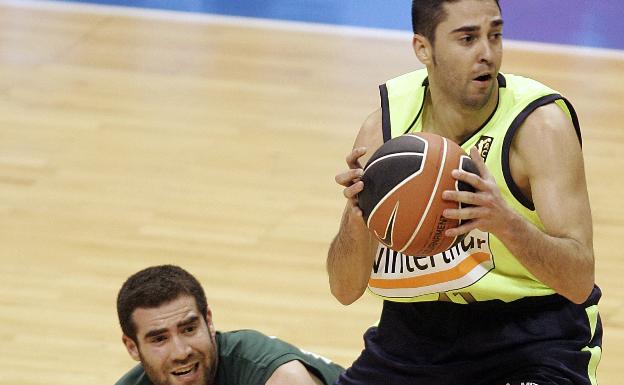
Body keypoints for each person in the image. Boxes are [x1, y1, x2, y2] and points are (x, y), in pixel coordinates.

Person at [327, 0, 602, 384]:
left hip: (533, 335)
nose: (487, 54)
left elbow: (578, 281)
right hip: (413, 338)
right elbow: (343, 289)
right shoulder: (384, 131)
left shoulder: (540, 127)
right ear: (423, 48)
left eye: (495, 35)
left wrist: (505, 222)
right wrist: (357, 217)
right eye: (468, 38)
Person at [115, 265, 344, 385]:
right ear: (132, 347)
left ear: (209, 322)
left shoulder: (278, 376)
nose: (181, 352)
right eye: (159, 339)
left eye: (189, 329)